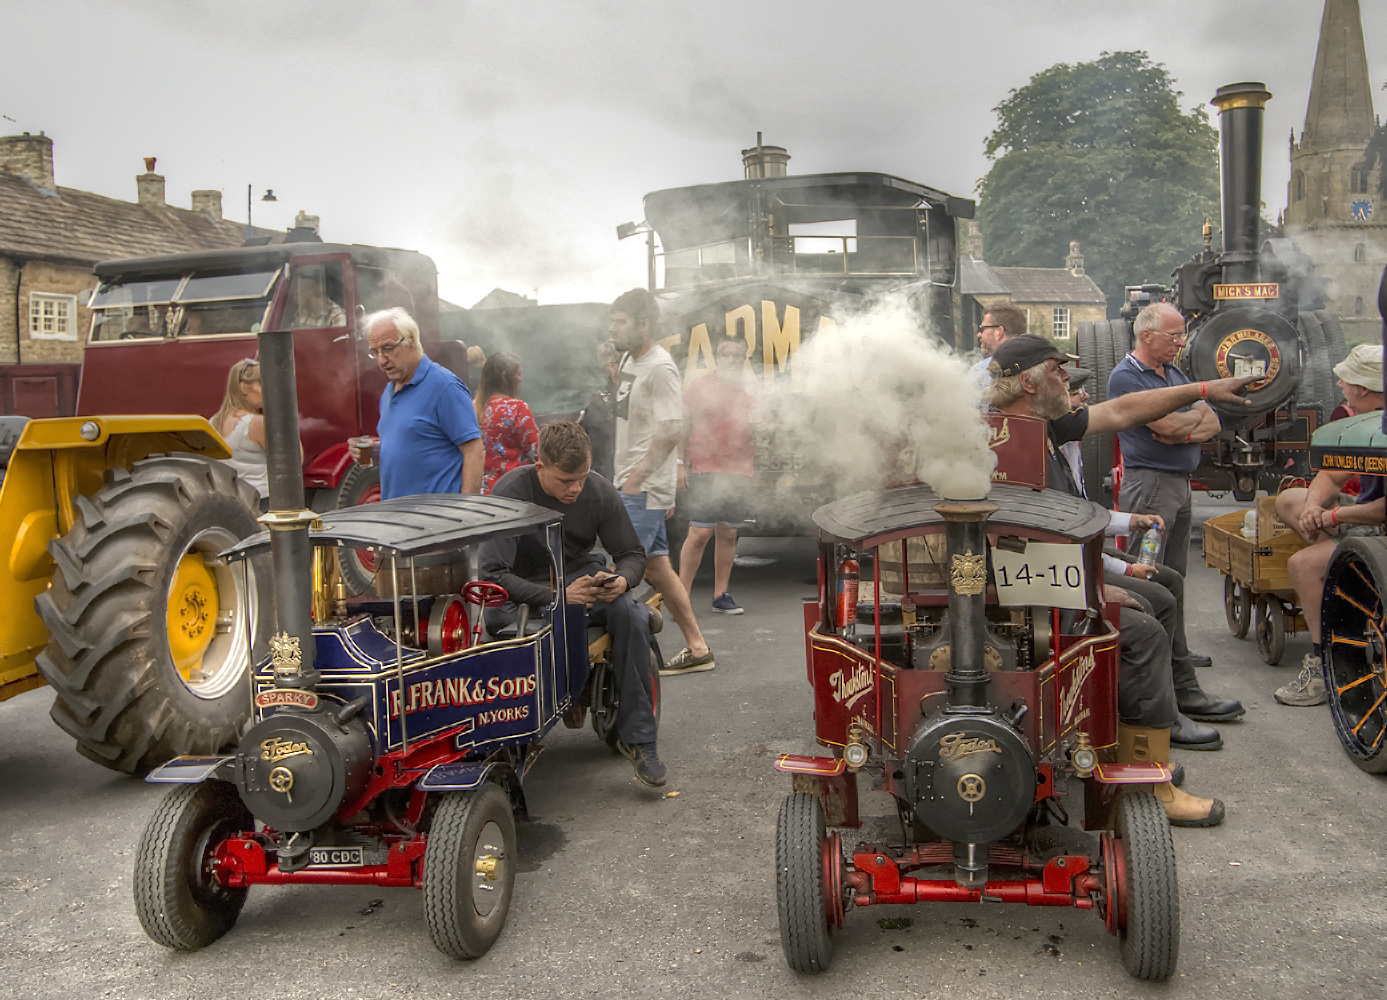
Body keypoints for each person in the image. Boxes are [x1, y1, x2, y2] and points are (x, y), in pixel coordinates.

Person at [986, 334, 1257, 826]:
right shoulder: (1000, 443)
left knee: (1155, 598)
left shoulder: (1042, 425)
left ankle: (1131, 749)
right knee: (1143, 631)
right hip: (1017, 596)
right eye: (1056, 370)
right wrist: (1090, 587)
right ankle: (1144, 782)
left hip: (1045, 582)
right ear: (1027, 381)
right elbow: (1005, 542)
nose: (1067, 378)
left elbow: (1124, 410)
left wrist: (1202, 388)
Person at [1061, 367, 1243, 744]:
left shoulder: (1063, 441)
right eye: (1070, 389)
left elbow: (1079, 519)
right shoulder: (1047, 443)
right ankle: (1151, 729)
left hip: (1075, 556)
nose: (1083, 398)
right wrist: (1121, 568)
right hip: (1064, 568)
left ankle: (1179, 692)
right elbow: (1058, 540)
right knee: (1150, 612)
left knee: (1168, 580)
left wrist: (1130, 525)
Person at [480, 421, 665, 786]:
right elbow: (493, 574)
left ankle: (641, 741)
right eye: (565, 480)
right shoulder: (510, 493)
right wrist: (557, 595)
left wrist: (622, 580)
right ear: (540, 467)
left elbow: (631, 553)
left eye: (581, 477)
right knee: (504, 634)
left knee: (630, 612)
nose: (575, 488)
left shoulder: (597, 490)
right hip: (522, 594)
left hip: (582, 579)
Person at [1271, 343, 1386, 706]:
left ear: (1364, 390)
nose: (1339, 385)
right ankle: (1341, 582)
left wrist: (1334, 516)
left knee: (1301, 565)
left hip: (1379, 527)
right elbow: (1331, 475)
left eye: (1346, 381)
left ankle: (1325, 664)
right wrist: (1313, 506)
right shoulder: (1361, 424)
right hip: (1364, 517)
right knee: (1288, 500)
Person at [609, 288, 715, 675]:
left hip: (642, 488)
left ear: (644, 323)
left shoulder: (661, 367)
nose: (613, 328)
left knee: (625, 569)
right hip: (631, 483)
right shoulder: (629, 360)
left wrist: (638, 479)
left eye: (620, 321)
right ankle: (698, 648)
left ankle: (623, 662)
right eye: (612, 320)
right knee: (656, 567)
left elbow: (672, 430)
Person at [1106, 303, 1220, 580]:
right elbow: (1166, 426)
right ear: (1147, 335)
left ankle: (1170, 625)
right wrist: (1192, 417)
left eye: (1183, 336)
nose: (1181, 344)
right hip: (1151, 484)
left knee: (1175, 575)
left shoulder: (1173, 373)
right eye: (1173, 336)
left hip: (1179, 483)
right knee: (1147, 571)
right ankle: (1146, 624)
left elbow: (1214, 421)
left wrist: (1185, 434)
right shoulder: (1126, 378)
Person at [348, 307, 482, 498]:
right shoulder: (389, 393)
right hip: (398, 519)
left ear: (411, 341)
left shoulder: (444, 386)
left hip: (438, 520)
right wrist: (378, 451)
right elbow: (416, 445)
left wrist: (468, 510)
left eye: (387, 349)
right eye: (375, 352)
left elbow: (474, 451)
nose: (381, 360)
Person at [677, 335, 756, 614]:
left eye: (738, 355)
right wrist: (678, 463)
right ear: (717, 357)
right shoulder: (700, 387)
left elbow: (762, 423)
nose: (732, 359)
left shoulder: (751, 389)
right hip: (704, 466)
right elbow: (682, 425)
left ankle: (721, 595)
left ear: (744, 359)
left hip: (739, 469)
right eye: (727, 354)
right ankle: (681, 597)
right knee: (699, 532)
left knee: (729, 532)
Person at [474, 352, 538, 494]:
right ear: (504, 376)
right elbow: (538, 454)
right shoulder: (517, 408)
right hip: (512, 492)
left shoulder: (474, 408)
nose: (520, 379)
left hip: (481, 493)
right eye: (518, 374)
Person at [212, 358, 269, 510]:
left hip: (233, 503)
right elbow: (294, 458)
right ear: (244, 388)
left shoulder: (213, 422)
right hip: (263, 501)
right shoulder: (256, 423)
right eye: (261, 384)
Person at [578, 339, 622, 481]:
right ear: (612, 366)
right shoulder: (599, 404)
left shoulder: (633, 395)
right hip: (611, 480)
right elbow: (598, 455)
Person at [968, 304, 1027, 390]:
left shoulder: (979, 372)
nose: (979, 334)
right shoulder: (1040, 366)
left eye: (982, 329)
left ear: (999, 332)